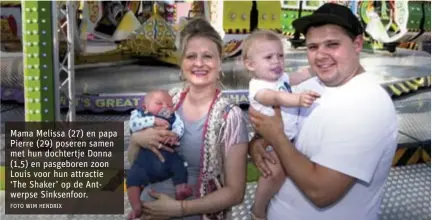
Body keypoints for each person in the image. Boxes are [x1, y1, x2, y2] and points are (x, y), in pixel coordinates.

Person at [248, 3, 398, 220]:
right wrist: (258, 143)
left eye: (332, 44)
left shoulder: (368, 105)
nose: (320, 55)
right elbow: (274, 125)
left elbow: (321, 191)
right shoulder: (312, 86)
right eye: (313, 47)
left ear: (357, 44)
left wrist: (276, 138)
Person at [126, 17, 249, 220]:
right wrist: (137, 141)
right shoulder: (167, 102)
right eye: (191, 56)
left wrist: (180, 208)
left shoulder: (230, 116)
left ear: (220, 63)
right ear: (181, 63)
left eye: (207, 56)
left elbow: (236, 193)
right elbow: (136, 161)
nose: (199, 63)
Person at [241, 30, 320, 219]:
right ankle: (258, 209)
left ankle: (273, 201)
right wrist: (298, 99)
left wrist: (313, 70)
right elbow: (276, 96)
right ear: (251, 64)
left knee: (284, 172)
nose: (276, 61)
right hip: (271, 142)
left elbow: (294, 77)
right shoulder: (258, 87)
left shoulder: (280, 78)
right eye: (268, 57)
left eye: (280, 56)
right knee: (273, 173)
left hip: (287, 137)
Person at [126, 90, 193, 219]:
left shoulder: (174, 117)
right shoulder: (139, 114)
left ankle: (180, 189)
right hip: (145, 160)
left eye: (169, 105)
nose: (165, 107)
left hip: (168, 155)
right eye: (159, 103)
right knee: (132, 177)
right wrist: (152, 121)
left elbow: (180, 126)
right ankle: (136, 206)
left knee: (179, 165)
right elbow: (133, 126)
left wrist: (175, 135)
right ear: (145, 107)